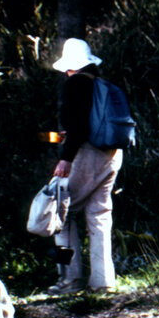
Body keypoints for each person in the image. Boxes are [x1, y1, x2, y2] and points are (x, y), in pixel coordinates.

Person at [48, 38, 124, 294]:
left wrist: (65, 158)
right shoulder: (104, 83)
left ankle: (70, 280)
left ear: (69, 66)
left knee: (60, 211)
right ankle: (103, 282)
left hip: (89, 153)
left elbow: (79, 127)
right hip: (113, 154)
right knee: (100, 216)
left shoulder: (75, 84)